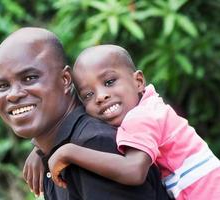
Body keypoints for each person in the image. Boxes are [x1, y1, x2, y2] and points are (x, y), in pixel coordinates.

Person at [0, 27, 170, 200]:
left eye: (30, 78)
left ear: (65, 80)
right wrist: (40, 151)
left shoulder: (91, 146)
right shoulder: (54, 149)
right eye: (2, 86)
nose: (13, 94)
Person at [48, 44, 220, 199]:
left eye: (109, 82)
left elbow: (134, 171)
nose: (101, 96)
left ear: (138, 82)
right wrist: (43, 150)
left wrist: (68, 152)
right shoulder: (150, 106)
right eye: (88, 95)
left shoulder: (141, 117)